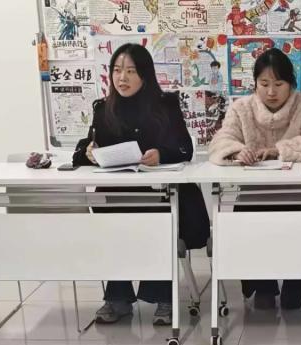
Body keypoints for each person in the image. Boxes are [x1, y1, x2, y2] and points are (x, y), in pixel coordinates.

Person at [72, 43, 210, 325]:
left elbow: (184, 149)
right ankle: (118, 298)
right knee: (114, 229)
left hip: (158, 197)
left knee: (153, 224)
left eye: (130, 71)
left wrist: (161, 154)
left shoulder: (165, 105)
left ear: (144, 75)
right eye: (117, 70)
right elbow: (85, 150)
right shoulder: (103, 109)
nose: (121, 78)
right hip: (117, 198)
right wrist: (89, 152)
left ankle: (163, 297)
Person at [209, 47, 301, 310]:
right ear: (255, 84)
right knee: (248, 231)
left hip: (299, 195)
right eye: (264, 84)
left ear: (291, 84)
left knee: (293, 299)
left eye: (278, 84)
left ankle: (294, 286)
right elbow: (220, 141)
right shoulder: (241, 108)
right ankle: (263, 285)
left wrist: (278, 150)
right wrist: (237, 151)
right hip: (255, 195)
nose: (271, 92)